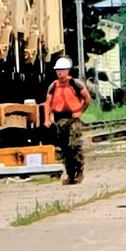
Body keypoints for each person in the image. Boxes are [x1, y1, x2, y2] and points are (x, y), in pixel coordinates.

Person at [44, 56, 92, 185]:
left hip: (72, 119)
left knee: (74, 146)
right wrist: (47, 119)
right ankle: (70, 175)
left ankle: (79, 172)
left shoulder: (75, 84)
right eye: (57, 70)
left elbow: (87, 98)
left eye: (62, 70)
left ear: (67, 71)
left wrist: (80, 111)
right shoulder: (53, 86)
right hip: (60, 119)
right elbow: (47, 103)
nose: (59, 73)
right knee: (65, 148)